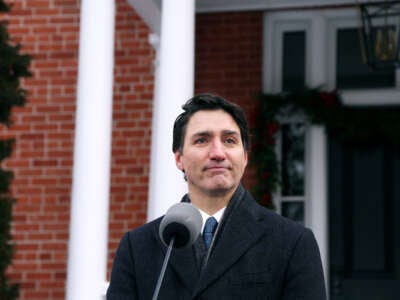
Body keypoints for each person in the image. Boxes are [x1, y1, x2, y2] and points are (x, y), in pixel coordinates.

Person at [107, 94, 327, 299]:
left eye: (230, 141)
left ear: (245, 157)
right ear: (179, 158)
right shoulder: (137, 247)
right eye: (202, 140)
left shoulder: (293, 242)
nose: (218, 153)